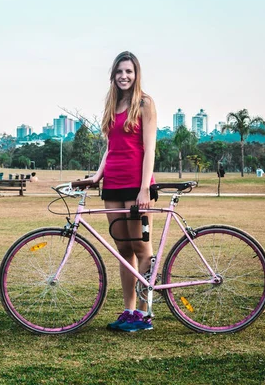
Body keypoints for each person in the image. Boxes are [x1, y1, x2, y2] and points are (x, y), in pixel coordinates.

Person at [89, 51, 158, 332]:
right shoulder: (112, 103)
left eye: (128, 71)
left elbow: (149, 147)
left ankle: (143, 314)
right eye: (119, 71)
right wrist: (97, 175)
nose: (124, 76)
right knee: (122, 250)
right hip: (113, 185)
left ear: (136, 73)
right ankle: (128, 311)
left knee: (142, 248)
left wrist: (144, 189)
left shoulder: (145, 103)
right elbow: (111, 147)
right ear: (113, 75)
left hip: (136, 184)